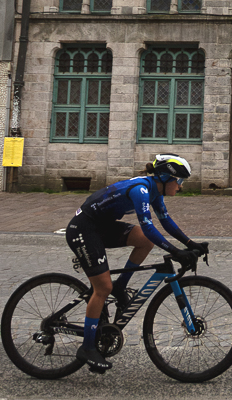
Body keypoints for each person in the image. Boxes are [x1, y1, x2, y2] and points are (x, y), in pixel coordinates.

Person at [65, 153, 206, 373]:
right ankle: (88, 347)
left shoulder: (154, 190)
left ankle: (121, 286)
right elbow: (149, 226)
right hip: (84, 230)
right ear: (167, 177)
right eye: (179, 181)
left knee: (144, 241)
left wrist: (190, 243)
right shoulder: (141, 190)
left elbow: (166, 221)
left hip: (101, 227)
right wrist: (176, 251)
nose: (180, 187)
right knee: (103, 288)